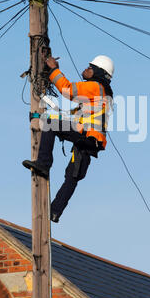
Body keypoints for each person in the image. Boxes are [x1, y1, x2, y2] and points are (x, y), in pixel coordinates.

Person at [22, 55, 114, 223]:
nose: (86, 69)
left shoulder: (95, 87)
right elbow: (71, 117)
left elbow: (68, 90)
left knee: (50, 123)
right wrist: (37, 116)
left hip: (86, 135)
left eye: (90, 67)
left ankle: (43, 164)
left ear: (99, 73)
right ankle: (55, 211)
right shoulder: (103, 93)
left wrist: (53, 69)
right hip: (90, 140)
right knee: (72, 175)